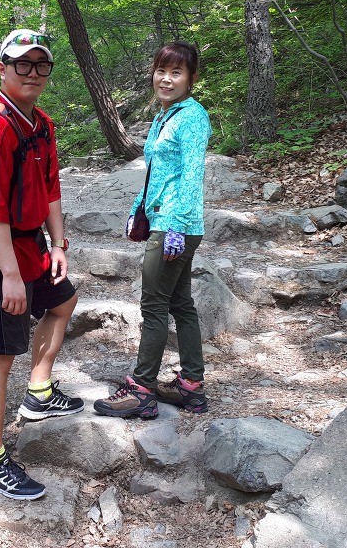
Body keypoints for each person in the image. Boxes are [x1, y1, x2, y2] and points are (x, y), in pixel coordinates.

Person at [0, 28, 83, 500]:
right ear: (3, 69)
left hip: (31, 246)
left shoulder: (41, 123)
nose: (33, 73)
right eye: (22, 64)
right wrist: (10, 275)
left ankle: (40, 392)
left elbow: (50, 189)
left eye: (41, 64)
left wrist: (59, 244)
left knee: (64, 302)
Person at [93, 41, 212, 419]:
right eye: (162, 70)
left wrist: (175, 226)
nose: (166, 79)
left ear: (191, 78)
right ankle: (191, 385)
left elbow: (191, 175)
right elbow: (158, 174)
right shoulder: (166, 115)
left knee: (154, 306)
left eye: (176, 72)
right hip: (165, 221)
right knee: (180, 304)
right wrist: (138, 210)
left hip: (175, 226)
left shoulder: (191, 116)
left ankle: (141, 389)